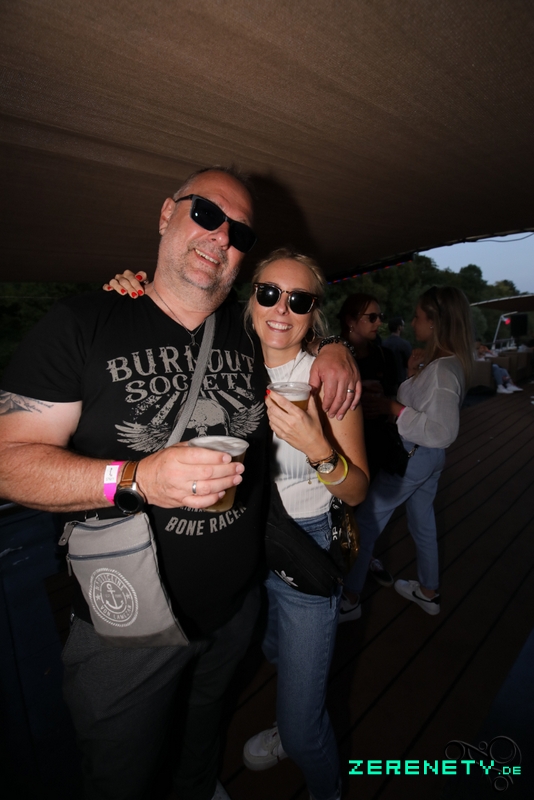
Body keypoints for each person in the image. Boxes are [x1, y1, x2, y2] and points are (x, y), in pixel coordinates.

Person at [0, 167, 360, 800]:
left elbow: (294, 327)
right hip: (126, 629)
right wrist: (137, 476)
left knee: (200, 743)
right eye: (206, 214)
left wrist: (337, 348)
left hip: (235, 613)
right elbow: (8, 462)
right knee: (120, 779)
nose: (221, 236)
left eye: (239, 232)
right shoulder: (85, 321)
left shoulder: (250, 336)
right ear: (167, 214)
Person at [107, 249, 369, 800]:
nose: (281, 309)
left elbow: (357, 490)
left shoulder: (324, 381)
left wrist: (318, 447)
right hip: (238, 548)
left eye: (299, 300)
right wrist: (135, 291)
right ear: (250, 299)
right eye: (269, 293)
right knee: (266, 651)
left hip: (302, 547)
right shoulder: (228, 355)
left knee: (303, 726)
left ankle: (310, 756)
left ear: (314, 311)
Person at [342, 286, 474, 618]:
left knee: (367, 522)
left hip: (413, 456)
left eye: (417, 316)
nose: (412, 322)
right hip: (429, 460)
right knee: (422, 522)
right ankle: (428, 592)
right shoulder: (446, 364)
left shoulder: (442, 371)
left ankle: (350, 598)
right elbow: (425, 404)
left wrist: (392, 408)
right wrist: (413, 374)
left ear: (435, 322)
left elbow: (442, 430)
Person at [337, 293, 398, 614]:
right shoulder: (335, 354)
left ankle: (362, 555)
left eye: (380, 317)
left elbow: (395, 394)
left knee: (367, 508)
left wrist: (386, 401)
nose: (378, 323)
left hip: (376, 442)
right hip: (343, 444)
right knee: (343, 505)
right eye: (371, 317)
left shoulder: (384, 355)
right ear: (351, 321)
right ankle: (341, 562)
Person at [382, 316, 412, 383]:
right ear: (399, 327)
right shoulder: (404, 344)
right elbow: (409, 363)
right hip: (400, 380)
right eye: (403, 326)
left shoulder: (383, 343)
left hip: (386, 381)